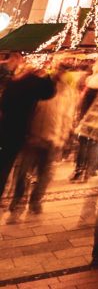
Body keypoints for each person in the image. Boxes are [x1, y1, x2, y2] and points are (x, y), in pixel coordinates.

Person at [8, 67, 81, 217]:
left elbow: (68, 118)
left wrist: (62, 138)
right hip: (33, 137)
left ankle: (35, 201)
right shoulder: (41, 91)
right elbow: (29, 112)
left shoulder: (68, 95)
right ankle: (18, 199)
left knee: (45, 174)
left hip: (52, 140)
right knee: (23, 172)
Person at [0, 56, 55, 199]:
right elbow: (49, 92)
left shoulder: (14, 81)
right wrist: (46, 74)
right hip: (17, 129)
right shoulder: (31, 82)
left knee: (5, 163)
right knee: (6, 164)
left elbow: (4, 103)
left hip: (7, 126)